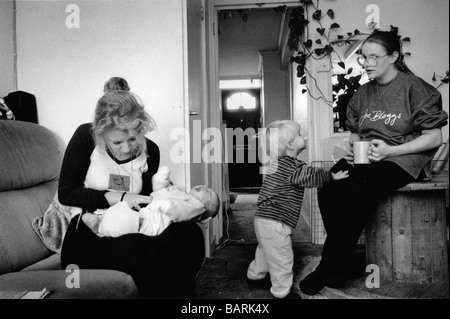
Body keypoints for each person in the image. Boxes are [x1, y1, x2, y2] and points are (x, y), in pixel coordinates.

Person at [299, 30, 448, 295]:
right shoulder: (362, 93)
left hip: (404, 159)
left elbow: (434, 137)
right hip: (369, 157)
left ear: (393, 57)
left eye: (374, 57)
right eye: (363, 57)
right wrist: (353, 148)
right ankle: (345, 261)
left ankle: (328, 266)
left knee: (361, 188)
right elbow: (356, 130)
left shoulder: (415, 88)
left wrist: (391, 150)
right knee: (330, 184)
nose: (367, 63)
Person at [59, 90, 206, 298]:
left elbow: (145, 204)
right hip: (90, 228)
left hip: (135, 223)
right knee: (136, 249)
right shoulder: (85, 137)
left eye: (132, 139)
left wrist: (174, 201)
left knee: (189, 233)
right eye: (117, 143)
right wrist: (120, 197)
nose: (127, 148)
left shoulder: (151, 151)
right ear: (101, 135)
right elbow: (67, 193)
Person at [246, 120, 349, 299]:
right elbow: (310, 176)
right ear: (290, 144)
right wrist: (331, 175)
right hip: (276, 221)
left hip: (262, 218)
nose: (305, 136)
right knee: (282, 259)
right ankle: (281, 293)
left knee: (266, 249)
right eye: (300, 134)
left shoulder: (277, 164)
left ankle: (255, 275)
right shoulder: (293, 166)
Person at [81, 167, 220, 237]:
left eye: (208, 193)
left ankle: (99, 224)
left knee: (126, 218)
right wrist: (160, 181)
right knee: (122, 208)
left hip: (147, 223)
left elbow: (176, 208)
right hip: (144, 213)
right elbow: (160, 192)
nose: (204, 187)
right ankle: (100, 221)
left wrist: (164, 204)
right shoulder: (181, 192)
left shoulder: (194, 206)